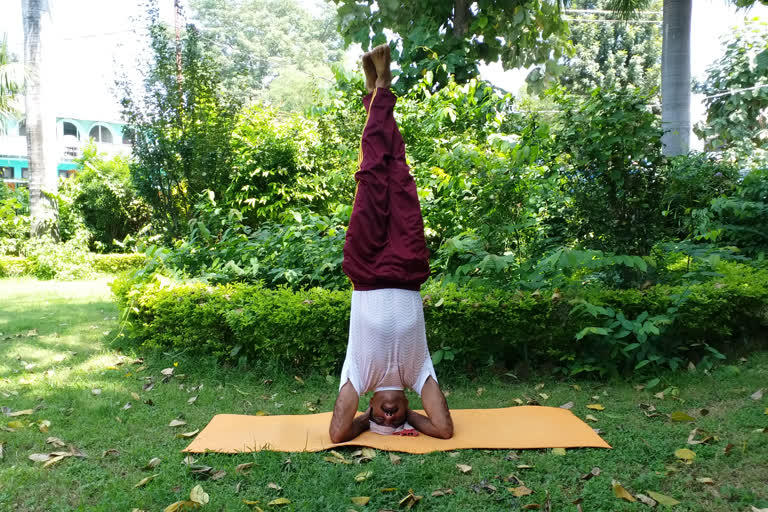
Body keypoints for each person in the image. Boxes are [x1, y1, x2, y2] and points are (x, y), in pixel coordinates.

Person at [328, 44, 453, 443]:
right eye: (392, 419)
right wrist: (411, 418)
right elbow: (445, 430)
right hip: (408, 269)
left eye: (380, 417)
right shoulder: (419, 375)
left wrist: (366, 423)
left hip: (365, 269)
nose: (388, 414)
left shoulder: (358, 375)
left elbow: (336, 433)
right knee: (397, 177)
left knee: (370, 175)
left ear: (368, 406)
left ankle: (378, 91)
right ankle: (378, 91)